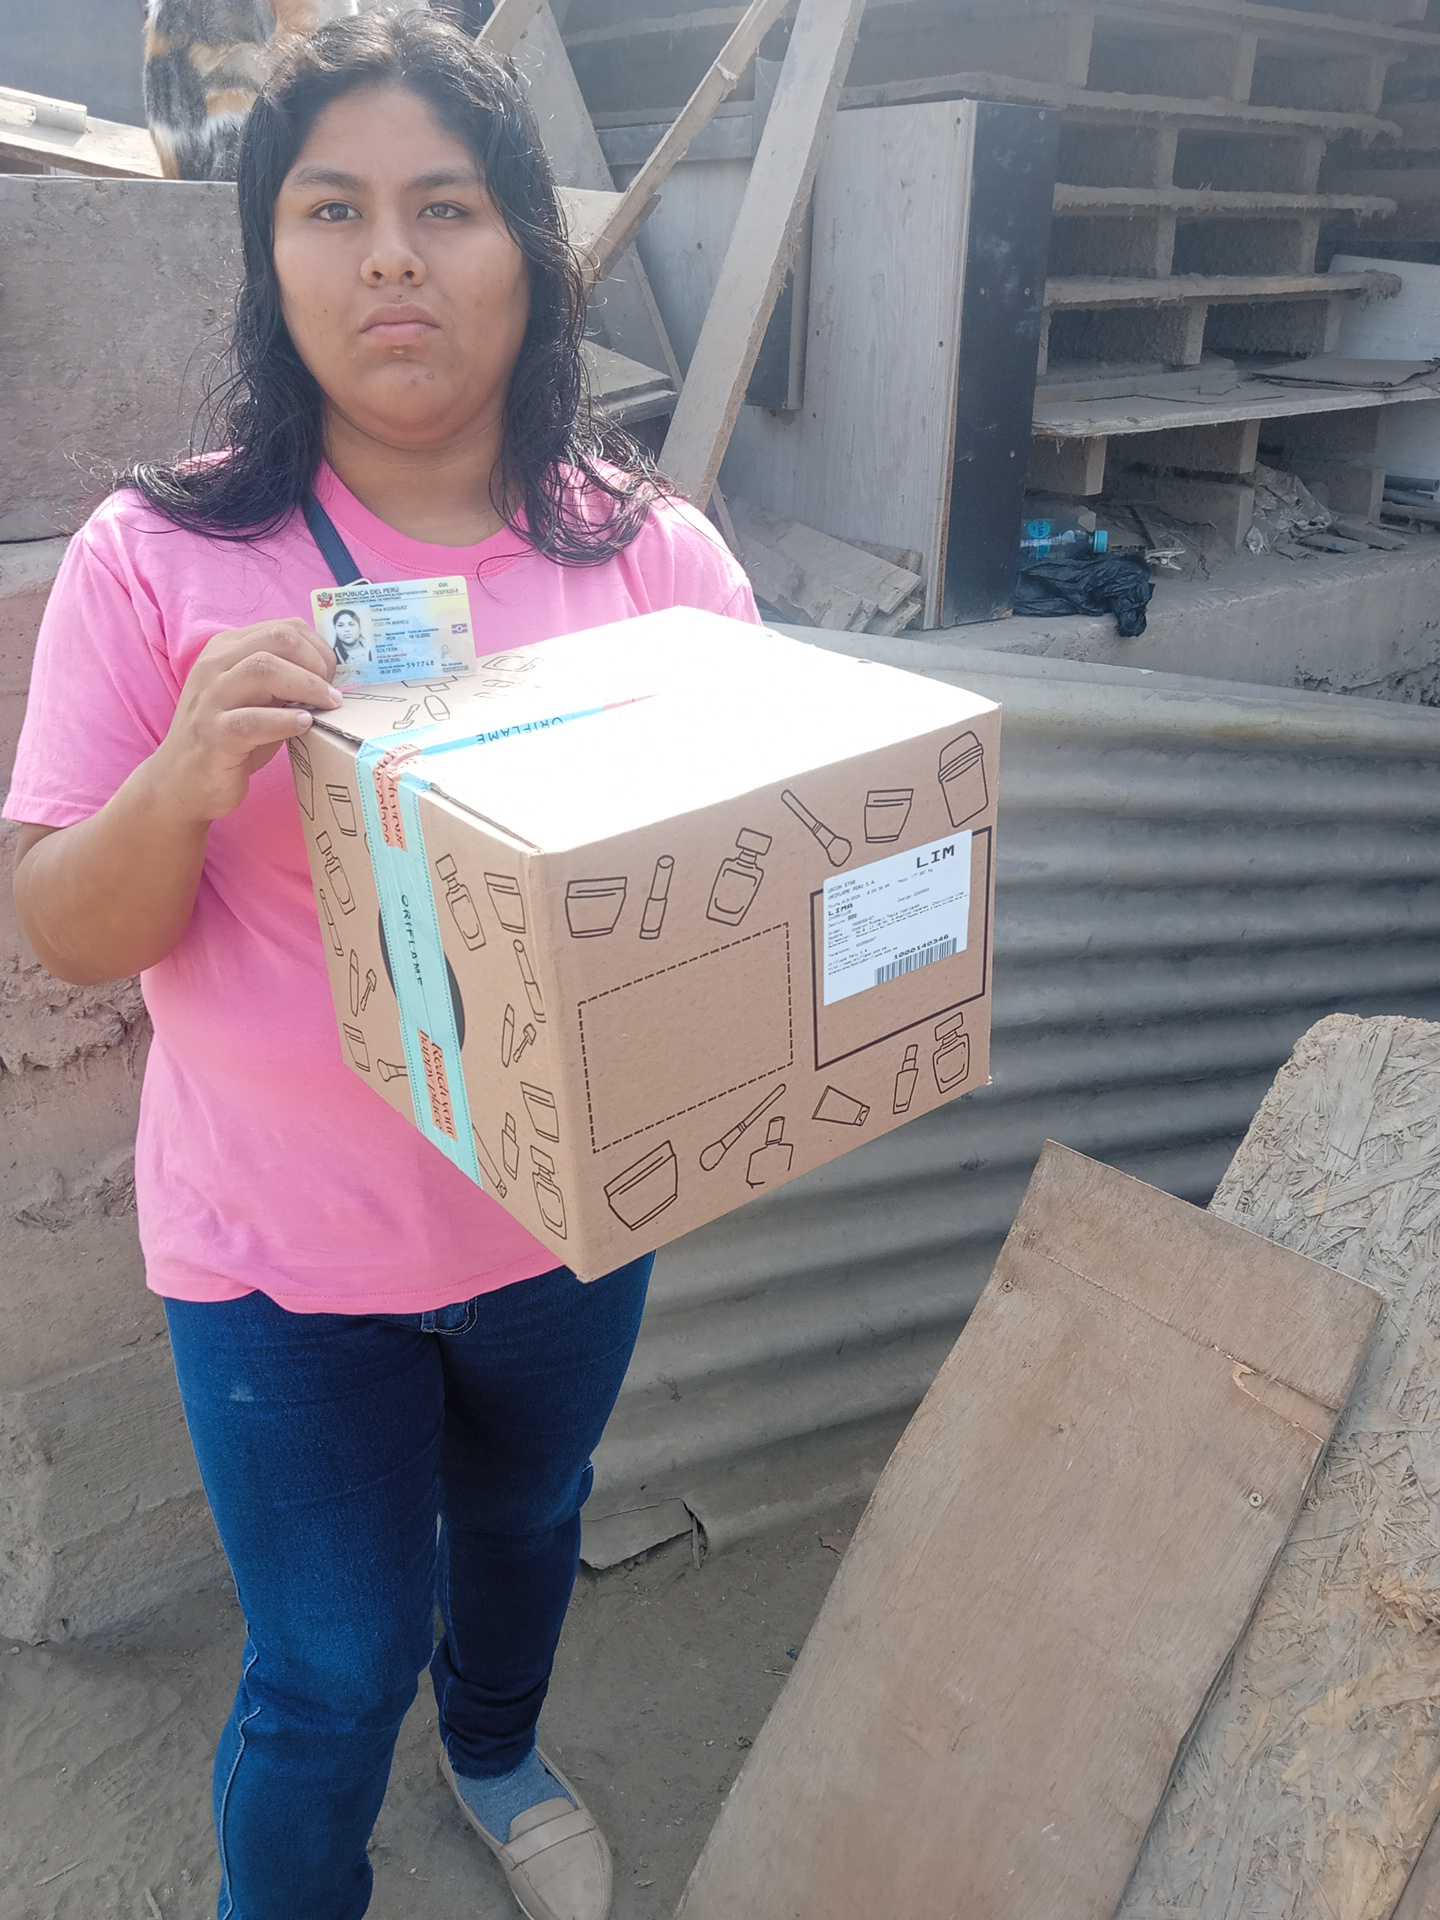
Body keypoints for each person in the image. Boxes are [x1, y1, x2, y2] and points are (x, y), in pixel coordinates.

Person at [5, 15, 759, 1920]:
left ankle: (498, 1756)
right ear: (269, 260)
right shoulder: (158, 559)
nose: (393, 259)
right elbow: (66, 929)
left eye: (448, 207)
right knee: (329, 1666)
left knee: (524, 1527)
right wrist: (183, 777)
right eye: (332, 210)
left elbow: (751, 899)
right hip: (279, 1256)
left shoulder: (652, 563)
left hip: (561, 1235)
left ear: (530, 252)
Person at [329, 602, 371, 671]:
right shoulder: (331, 656)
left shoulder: (371, 650)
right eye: (340, 625)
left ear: (359, 627)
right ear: (335, 628)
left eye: (351, 624)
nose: (347, 629)